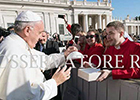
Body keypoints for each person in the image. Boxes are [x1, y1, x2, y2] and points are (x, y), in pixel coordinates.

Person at [0, 11, 77, 100]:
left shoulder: (19, 44)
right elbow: (29, 96)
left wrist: (64, 55)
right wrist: (55, 82)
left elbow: (44, 60)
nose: (41, 37)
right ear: (27, 30)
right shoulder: (15, 52)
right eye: (39, 33)